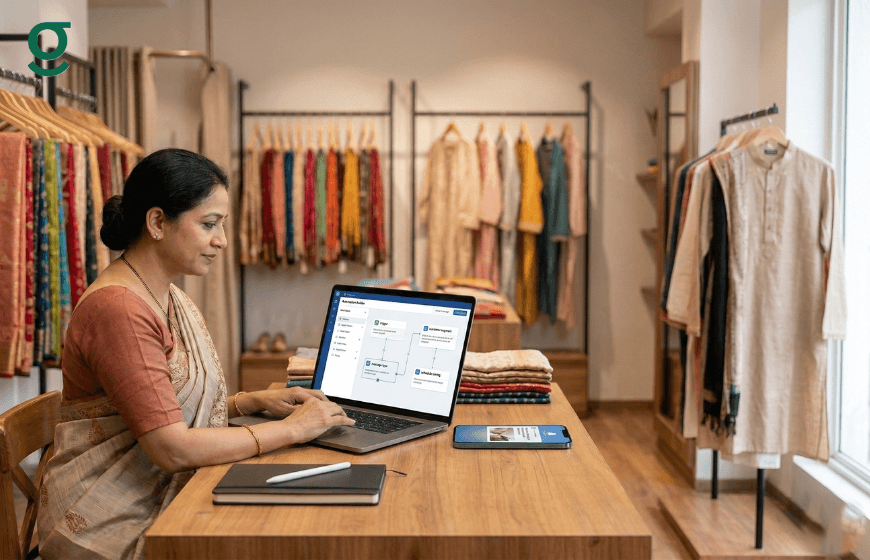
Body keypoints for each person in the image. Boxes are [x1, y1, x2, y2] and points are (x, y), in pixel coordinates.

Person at [37, 149, 354, 560]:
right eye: (209, 224)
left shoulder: (163, 295)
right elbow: (172, 449)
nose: (221, 240)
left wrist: (252, 402)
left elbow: (157, 405)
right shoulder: (119, 311)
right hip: (114, 524)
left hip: (159, 497)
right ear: (157, 222)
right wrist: (294, 430)